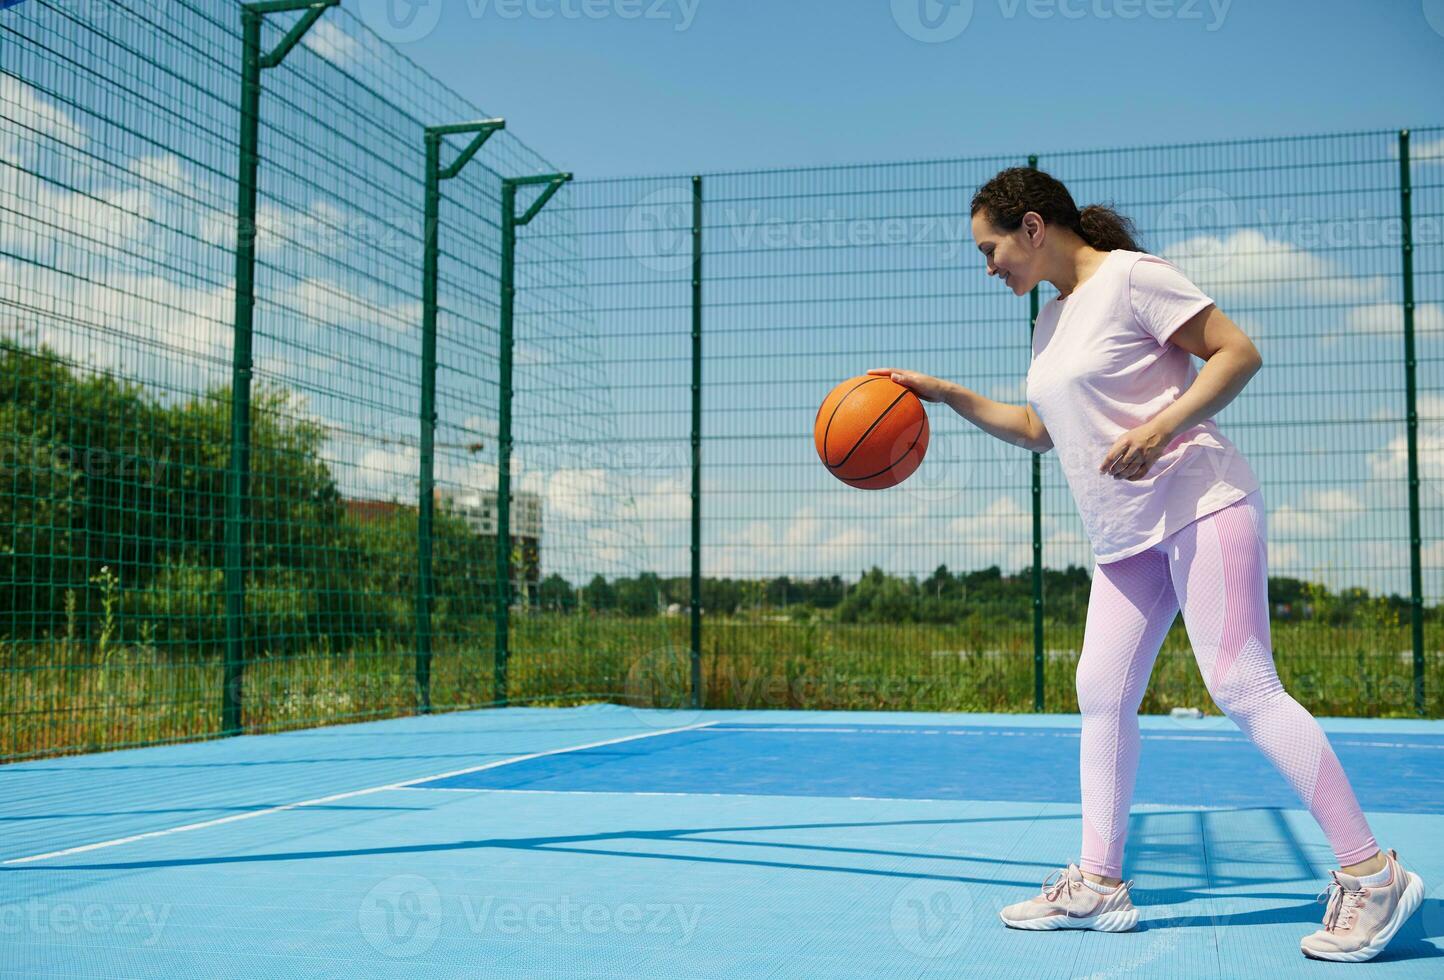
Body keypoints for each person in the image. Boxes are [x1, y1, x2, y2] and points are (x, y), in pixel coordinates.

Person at [867, 166, 1424, 962]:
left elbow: (1237, 352)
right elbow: (1038, 427)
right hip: (1126, 538)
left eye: (991, 248)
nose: (988, 266)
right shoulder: (1049, 321)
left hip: (1203, 503)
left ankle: (1372, 876)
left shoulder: (1135, 278)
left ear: (1032, 226)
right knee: (1100, 692)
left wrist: (1162, 427)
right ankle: (1099, 882)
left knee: (1241, 685)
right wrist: (946, 393)